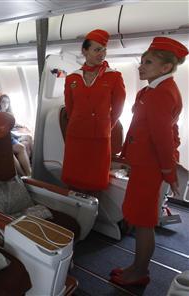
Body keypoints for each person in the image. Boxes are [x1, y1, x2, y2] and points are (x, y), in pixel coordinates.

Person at [110, 37, 187, 287]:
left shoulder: (161, 94)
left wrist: (168, 171)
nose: (141, 67)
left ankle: (140, 272)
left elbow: (163, 138)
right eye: (142, 61)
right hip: (144, 164)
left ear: (165, 67)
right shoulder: (154, 89)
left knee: (144, 223)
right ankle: (136, 266)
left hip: (151, 168)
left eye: (149, 62)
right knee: (139, 217)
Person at [61, 29, 126, 192]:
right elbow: (70, 107)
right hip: (76, 135)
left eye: (104, 50)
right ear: (85, 51)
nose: (102, 54)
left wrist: (105, 126)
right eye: (97, 49)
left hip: (100, 137)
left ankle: (92, 212)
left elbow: (118, 107)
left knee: (94, 180)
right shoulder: (72, 78)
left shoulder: (114, 76)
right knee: (74, 177)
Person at [0, 94, 32, 176]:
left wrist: (22, 126)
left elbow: (14, 124)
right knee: (19, 148)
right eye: (3, 102)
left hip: (11, 136)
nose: (5, 104)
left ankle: (29, 171)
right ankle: (24, 174)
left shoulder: (10, 114)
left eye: (7, 102)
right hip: (4, 138)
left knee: (26, 141)